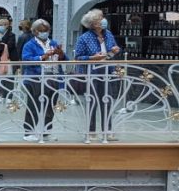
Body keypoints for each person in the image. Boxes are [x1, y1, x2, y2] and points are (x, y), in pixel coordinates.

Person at [74, 9, 122, 143]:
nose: (103, 20)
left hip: (107, 71)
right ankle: (91, 131)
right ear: (94, 23)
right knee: (92, 102)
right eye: (101, 18)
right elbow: (78, 57)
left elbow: (111, 53)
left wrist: (115, 51)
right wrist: (91, 57)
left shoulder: (108, 34)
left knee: (107, 101)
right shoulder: (84, 38)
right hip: (91, 72)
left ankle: (108, 130)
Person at [20, 19, 65, 141]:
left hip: (53, 77)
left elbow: (64, 59)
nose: (44, 33)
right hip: (35, 79)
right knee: (33, 105)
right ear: (35, 32)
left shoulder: (53, 43)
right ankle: (28, 132)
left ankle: (46, 131)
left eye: (46, 30)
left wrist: (60, 54)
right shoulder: (29, 45)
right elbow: (26, 60)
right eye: (41, 31)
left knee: (50, 106)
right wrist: (43, 57)